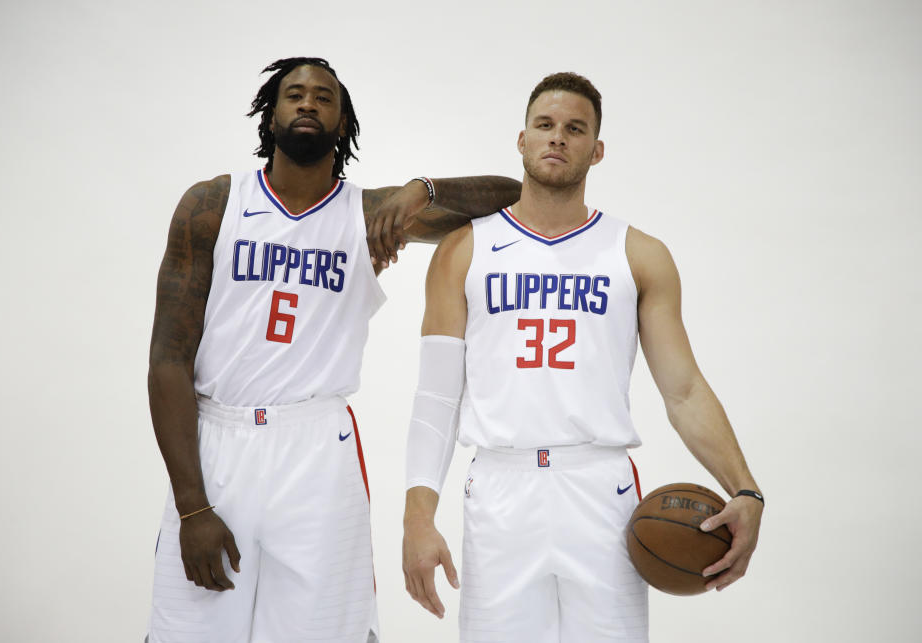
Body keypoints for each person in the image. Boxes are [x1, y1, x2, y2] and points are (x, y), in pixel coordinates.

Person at [145, 56, 520, 643]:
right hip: (217, 445)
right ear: (271, 116)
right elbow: (168, 358)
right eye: (293, 95)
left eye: (324, 98)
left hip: (316, 450)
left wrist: (423, 190)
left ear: (342, 124)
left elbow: (517, 203)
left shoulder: (370, 215)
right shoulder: (213, 204)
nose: (307, 104)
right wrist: (193, 506)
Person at [401, 72, 764, 642]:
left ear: (597, 150)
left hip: (600, 491)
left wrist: (745, 488)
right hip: (500, 488)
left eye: (575, 129)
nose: (557, 138)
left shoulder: (638, 254)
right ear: (520, 140)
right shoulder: (463, 249)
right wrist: (418, 516)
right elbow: (437, 395)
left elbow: (684, 390)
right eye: (544, 125)